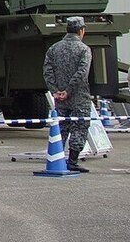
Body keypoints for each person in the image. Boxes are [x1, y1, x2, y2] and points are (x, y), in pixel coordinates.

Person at [42, 16, 92, 172]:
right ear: (81, 30)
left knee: (61, 127)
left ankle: (57, 157)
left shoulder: (54, 49)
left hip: (60, 97)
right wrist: (68, 90)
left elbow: (47, 72)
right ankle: (73, 161)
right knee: (80, 126)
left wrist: (55, 91)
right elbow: (82, 72)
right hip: (79, 96)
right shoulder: (84, 49)